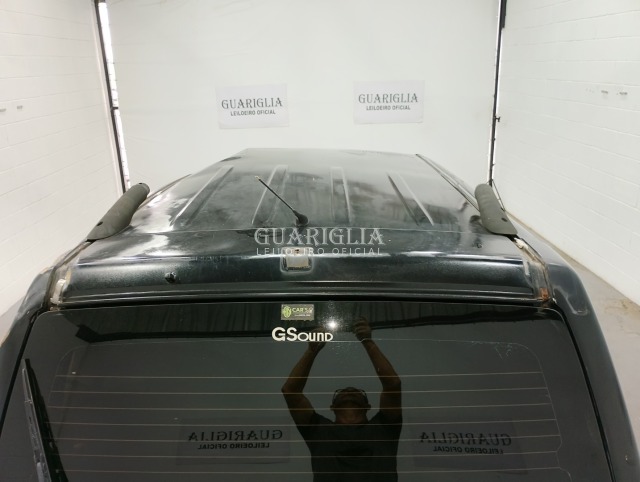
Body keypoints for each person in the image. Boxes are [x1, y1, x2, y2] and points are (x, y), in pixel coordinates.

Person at [282, 317, 402, 481]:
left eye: (356, 391)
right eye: (343, 392)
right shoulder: (319, 430)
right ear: (332, 406)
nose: (349, 390)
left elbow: (393, 385)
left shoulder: (384, 426)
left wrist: (368, 341)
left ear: (368, 406)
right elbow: (290, 391)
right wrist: (311, 350)